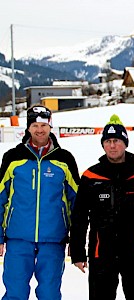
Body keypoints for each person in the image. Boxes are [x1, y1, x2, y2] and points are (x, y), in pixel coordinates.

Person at [69, 114, 134, 300]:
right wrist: (77, 252)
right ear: (103, 145)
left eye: (117, 141)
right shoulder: (91, 176)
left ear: (125, 143)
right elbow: (79, 217)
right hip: (101, 252)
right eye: (108, 141)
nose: (112, 145)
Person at [0, 104, 80, 300]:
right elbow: (0, 197)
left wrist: (76, 241)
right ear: (28, 128)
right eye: (35, 125)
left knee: (50, 294)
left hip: (53, 239)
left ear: (50, 127)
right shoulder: (13, 158)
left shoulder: (64, 159)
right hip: (18, 238)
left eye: (44, 125)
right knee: (15, 293)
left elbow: (77, 202)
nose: (39, 130)